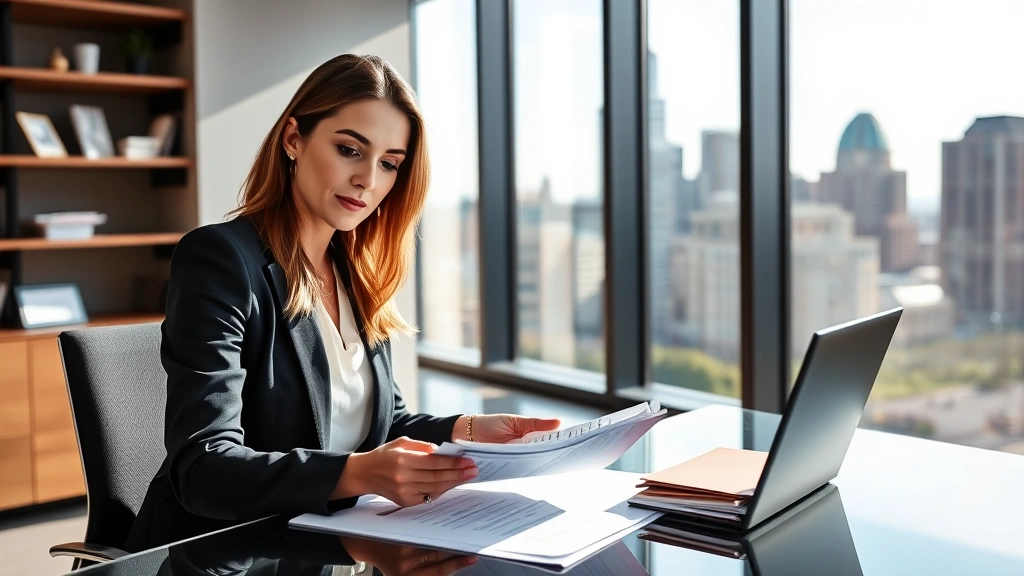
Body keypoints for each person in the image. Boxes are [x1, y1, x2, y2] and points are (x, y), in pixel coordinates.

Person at [125, 54, 560, 552]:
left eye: (389, 164)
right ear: (294, 139)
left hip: (326, 549)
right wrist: (357, 474)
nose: (368, 180)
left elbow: (378, 423)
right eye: (350, 149)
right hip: (221, 555)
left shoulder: (354, 270)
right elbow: (202, 469)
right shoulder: (221, 259)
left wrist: (468, 431)